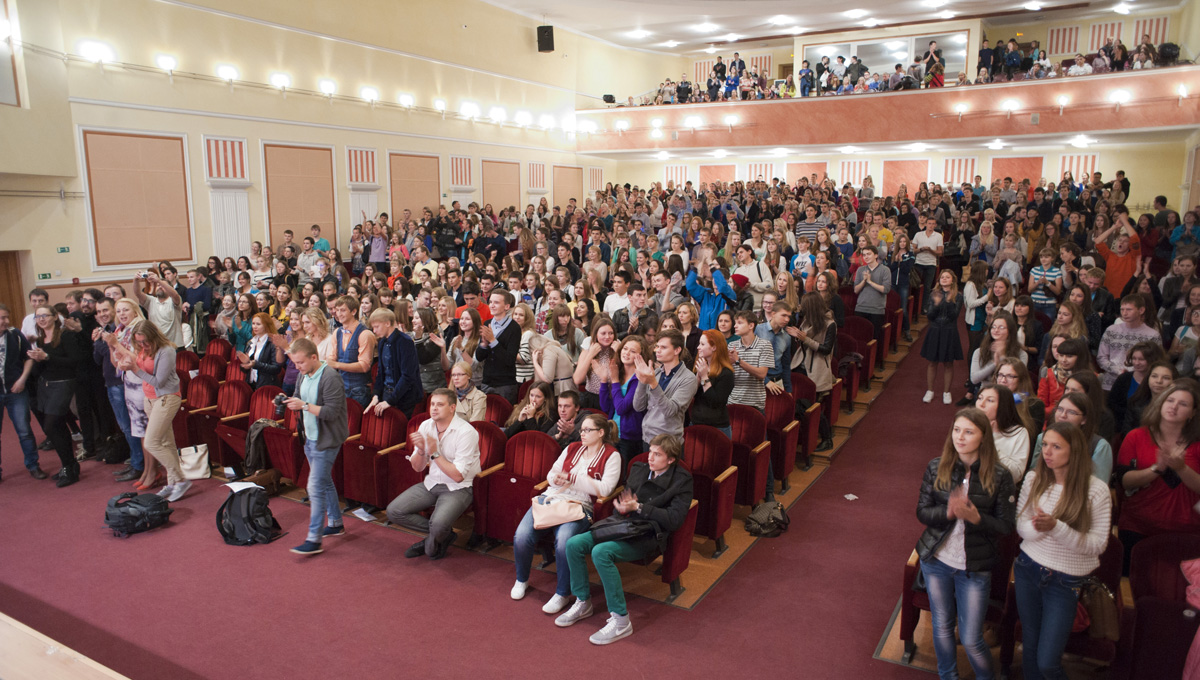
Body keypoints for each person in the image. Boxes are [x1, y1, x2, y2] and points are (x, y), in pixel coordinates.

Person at [556, 434, 694, 645]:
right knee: (573, 544)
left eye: (657, 455)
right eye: (650, 452)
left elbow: (674, 520)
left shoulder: (681, 480)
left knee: (601, 552)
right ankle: (583, 602)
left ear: (671, 459)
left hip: (648, 534)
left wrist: (639, 507)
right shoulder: (639, 469)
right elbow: (621, 505)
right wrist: (621, 507)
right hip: (623, 525)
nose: (650, 458)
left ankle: (621, 620)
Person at [915, 408, 1016, 680]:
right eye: (957, 430)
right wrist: (948, 513)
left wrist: (977, 518)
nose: (960, 437)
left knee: (971, 638)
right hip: (937, 561)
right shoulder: (936, 466)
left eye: (968, 432)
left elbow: (1006, 526)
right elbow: (922, 512)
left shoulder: (1000, 476)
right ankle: (948, 675)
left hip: (975, 567)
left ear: (983, 437)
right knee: (942, 626)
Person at [1014, 422, 1112, 680]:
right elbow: (1021, 526)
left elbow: (1097, 545)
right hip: (1028, 569)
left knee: (1048, 662)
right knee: (1029, 647)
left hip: (1065, 580)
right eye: (1045, 444)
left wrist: (1055, 527)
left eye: (1056, 447)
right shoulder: (1034, 478)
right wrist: (1041, 527)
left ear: (1075, 450)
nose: (1047, 452)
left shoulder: (1096, 490)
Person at [511, 413, 621, 614]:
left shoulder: (612, 455)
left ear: (601, 433)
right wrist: (557, 480)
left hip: (580, 506)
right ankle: (521, 579)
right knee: (522, 535)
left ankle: (562, 593)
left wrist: (573, 479)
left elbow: (605, 489)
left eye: (587, 430)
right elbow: (551, 474)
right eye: (581, 430)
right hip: (553, 498)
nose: (582, 433)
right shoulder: (572, 448)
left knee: (564, 543)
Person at [386, 388, 481, 560]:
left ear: (452, 408)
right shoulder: (426, 425)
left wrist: (435, 452)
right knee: (394, 511)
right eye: (432, 404)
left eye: (440, 405)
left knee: (435, 537)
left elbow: (458, 476)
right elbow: (417, 468)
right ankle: (444, 535)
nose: (434, 408)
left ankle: (434, 539)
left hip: (459, 488)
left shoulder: (467, 432)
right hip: (432, 482)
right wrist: (421, 450)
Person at [1115, 380, 1200, 564]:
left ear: (1193, 413)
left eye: (1183, 404)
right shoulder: (1136, 436)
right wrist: (1156, 468)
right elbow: (1124, 482)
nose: (1174, 407)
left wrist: (1182, 468)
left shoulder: (1197, 444)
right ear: (1160, 403)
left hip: (1187, 531)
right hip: (1138, 526)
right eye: (1170, 400)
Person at [284, 338, 349, 556]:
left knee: (315, 486)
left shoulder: (330, 377)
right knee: (323, 480)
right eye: (295, 363)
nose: (297, 367)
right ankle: (336, 523)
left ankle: (314, 539)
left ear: (314, 357)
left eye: (300, 362)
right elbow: (298, 396)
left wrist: (304, 406)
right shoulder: (303, 374)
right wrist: (288, 401)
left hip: (327, 439)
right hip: (310, 437)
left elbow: (331, 412)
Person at [110, 320, 189, 501]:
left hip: (166, 398)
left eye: (145, 341)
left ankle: (181, 480)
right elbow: (140, 368)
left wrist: (134, 368)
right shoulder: (143, 349)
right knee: (167, 443)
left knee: (152, 443)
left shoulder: (167, 351)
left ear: (153, 336)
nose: (142, 345)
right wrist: (125, 363)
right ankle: (173, 483)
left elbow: (158, 382)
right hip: (149, 399)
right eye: (139, 342)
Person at [29, 305, 83, 487]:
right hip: (46, 385)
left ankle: (70, 466)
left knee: (51, 425)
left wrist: (47, 357)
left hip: (64, 383)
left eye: (45, 315)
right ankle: (69, 466)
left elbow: (74, 361)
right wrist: (36, 359)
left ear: (54, 317)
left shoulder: (65, 335)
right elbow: (41, 369)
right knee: (57, 426)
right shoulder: (40, 339)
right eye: (38, 316)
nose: (42, 319)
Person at [632, 329, 698, 446]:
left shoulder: (689, 378)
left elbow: (670, 411)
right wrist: (642, 380)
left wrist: (653, 383)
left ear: (677, 350)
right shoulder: (656, 373)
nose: (657, 350)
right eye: (657, 346)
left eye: (663, 347)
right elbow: (638, 406)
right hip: (647, 437)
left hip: (669, 443)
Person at [1031, 392, 1114, 484]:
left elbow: (1099, 484)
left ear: (1084, 419)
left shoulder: (1099, 445)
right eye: (1060, 409)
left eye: (1071, 412)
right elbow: (1035, 473)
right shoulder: (1042, 438)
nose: (1063, 415)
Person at [0, 303, 41, 481]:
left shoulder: (15, 334)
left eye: (6, 317)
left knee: (24, 430)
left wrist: (22, 379)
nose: (6, 321)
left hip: (16, 390)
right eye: (2, 318)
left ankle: (33, 465)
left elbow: (29, 357)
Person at [365, 308, 423, 418]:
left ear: (387, 323)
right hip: (387, 392)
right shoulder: (382, 342)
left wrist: (390, 400)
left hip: (405, 397)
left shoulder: (405, 341)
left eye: (377, 327)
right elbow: (381, 372)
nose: (374, 331)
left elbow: (408, 376)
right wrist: (376, 395)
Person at [1097, 295, 1163, 390]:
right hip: (1111, 383)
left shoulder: (1152, 335)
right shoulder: (1111, 330)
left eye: (1129, 309)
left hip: (1140, 384)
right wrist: (1118, 370)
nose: (1124, 313)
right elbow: (1101, 357)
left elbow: (1156, 361)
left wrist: (1133, 372)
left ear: (1141, 310)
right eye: (1122, 309)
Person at [922, 270, 965, 405]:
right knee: (932, 362)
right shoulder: (934, 294)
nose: (944, 279)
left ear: (952, 280)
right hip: (935, 330)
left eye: (947, 277)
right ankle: (930, 391)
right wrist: (936, 304)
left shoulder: (958, 296)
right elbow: (930, 316)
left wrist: (948, 301)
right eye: (942, 277)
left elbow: (954, 316)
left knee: (948, 363)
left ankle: (947, 392)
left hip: (949, 331)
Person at [326, 295, 376, 407]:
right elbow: (332, 358)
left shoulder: (365, 334)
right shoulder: (337, 332)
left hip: (359, 390)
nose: (338, 314)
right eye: (337, 310)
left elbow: (364, 366)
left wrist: (337, 364)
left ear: (353, 311)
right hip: (341, 387)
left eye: (343, 310)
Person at [975, 384, 1031, 484]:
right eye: (979, 398)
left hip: (997, 486)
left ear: (1003, 406)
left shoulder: (1018, 432)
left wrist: (989, 441)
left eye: (990, 400)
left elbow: (1015, 475)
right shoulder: (967, 427)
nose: (981, 404)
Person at [476, 290, 521, 404]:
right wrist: (483, 345)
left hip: (505, 384)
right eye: (490, 302)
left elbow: (509, 360)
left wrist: (493, 341)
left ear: (506, 306)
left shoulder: (514, 328)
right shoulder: (487, 323)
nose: (491, 305)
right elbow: (479, 357)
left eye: (496, 302)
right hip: (487, 381)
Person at [691, 330, 735, 438]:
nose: (698, 347)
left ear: (714, 347)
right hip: (696, 422)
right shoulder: (702, 367)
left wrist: (704, 377)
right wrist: (698, 376)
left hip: (717, 427)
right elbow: (691, 394)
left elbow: (716, 402)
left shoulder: (726, 373)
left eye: (702, 344)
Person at [853, 245, 891, 344]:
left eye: (869, 254)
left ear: (876, 255)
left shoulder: (885, 270)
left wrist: (870, 282)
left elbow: (886, 289)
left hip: (876, 310)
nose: (866, 257)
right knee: (860, 339)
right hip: (861, 308)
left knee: (874, 339)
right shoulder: (860, 270)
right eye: (864, 255)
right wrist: (864, 281)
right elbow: (856, 290)